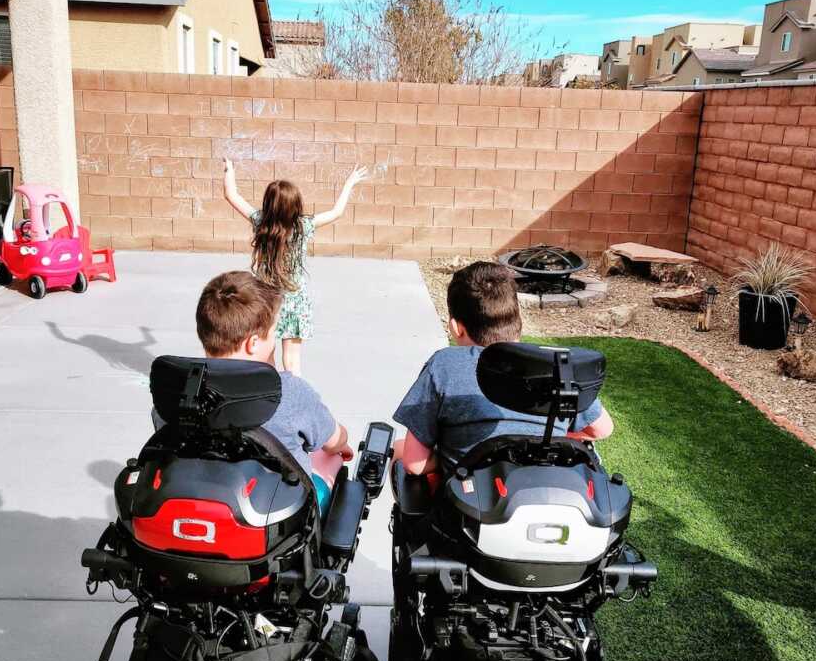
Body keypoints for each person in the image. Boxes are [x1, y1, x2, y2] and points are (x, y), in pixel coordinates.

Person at [393, 261, 614, 479]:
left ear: (455, 327)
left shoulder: (444, 365)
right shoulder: (558, 365)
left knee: (399, 448)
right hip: (551, 492)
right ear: (518, 321)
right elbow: (602, 430)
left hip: (473, 506)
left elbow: (415, 463)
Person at [193, 270, 354, 514]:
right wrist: (342, 442)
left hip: (206, 497)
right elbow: (334, 440)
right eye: (274, 332)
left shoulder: (185, 388)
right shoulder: (289, 392)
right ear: (253, 343)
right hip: (274, 518)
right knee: (331, 458)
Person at [223, 158, 369, 377]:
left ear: (268, 203)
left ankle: (271, 398)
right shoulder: (303, 227)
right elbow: (336, 212)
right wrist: (349, 183)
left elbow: (231, 195)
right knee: (293, 361)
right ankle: (295, 398)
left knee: (267, 357)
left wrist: (229, 171)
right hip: (295, 299)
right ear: (295, 206)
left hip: (267, 300)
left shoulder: (261, 223)